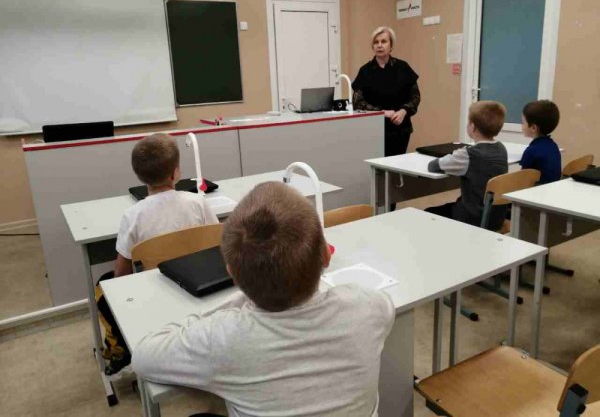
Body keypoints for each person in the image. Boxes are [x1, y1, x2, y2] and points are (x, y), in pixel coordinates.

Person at [132, 182, 395, 417]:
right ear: (326, 255)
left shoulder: (222, 337)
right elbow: (384, 307)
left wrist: (241, 297)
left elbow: (143, 358)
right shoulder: (368, 306)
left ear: (233, 274)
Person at [97, 133, 218, 375]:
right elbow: (216, 243)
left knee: (103, 285)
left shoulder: (132, 216)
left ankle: (120, 348)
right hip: (199, 286)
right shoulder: (198, 203)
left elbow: (121, 274)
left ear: (139, 176)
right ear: (176, 173)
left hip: (154, 296)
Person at [425, 101, 508, 230]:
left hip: (472, 218)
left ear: (473, 127)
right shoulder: (501, 149)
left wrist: (455, 154)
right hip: (496, 218)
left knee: (428, 213)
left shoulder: (468, 154)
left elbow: (433, 166)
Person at [352, 26, 421, 157]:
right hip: (373, 130)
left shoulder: (403, 67)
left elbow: (415, 97)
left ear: (391, 45)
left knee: (397, 164)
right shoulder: (365, 71)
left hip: (400, 129)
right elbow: (358, 103)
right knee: (376, 166)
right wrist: (382, 112)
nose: (379, 45)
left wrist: (404, 111)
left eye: (383, 41)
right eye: (376, 42)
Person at [520, 100, 561, 184]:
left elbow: (522, 179)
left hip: (536, 190)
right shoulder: (553, 146)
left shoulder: (531, 151)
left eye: (523, 122)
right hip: (553, 188)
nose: (522, 125)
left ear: (533, 128)